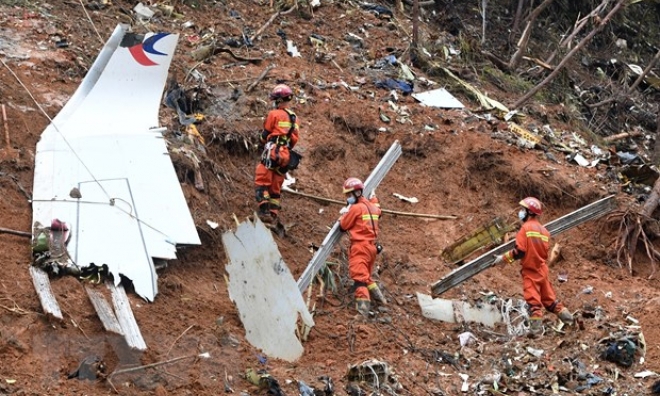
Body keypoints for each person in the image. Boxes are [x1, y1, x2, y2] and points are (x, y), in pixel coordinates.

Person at [493, 197, 574, 336]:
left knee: (533, 302)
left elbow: (520, 251)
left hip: (531, 271)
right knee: (550, 301)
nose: (521, 213)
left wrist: (503, 258)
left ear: (529, 212)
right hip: (542, 269)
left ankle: (535, 331)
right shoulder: (544, 232)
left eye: (523, 210)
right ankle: (570, 320)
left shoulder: (525, 228)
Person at [338, 177, 387, 317]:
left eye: (349, 194)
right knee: (367, 276)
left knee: (360, 279)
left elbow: (343, 226)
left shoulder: (356, 208)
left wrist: (343, 215)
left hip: (359, 248)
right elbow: (378, 211)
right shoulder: (372, 207)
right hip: (371, 248)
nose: (347, 198)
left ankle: (362, 312)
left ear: (356, 193)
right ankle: (381, 300)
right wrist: (374, 198)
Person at [255, 84, 300, 223]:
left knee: (262, 178)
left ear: (279, 100)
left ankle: (264, 211)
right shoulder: (294, 117)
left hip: (273, 150)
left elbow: (266, 133)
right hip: (286, 155)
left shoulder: (274, 114)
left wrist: (261, 143)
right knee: (276, 184)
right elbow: (294, 139)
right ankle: (273, 214)